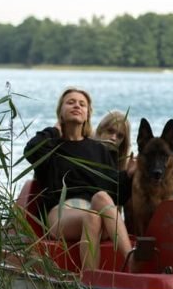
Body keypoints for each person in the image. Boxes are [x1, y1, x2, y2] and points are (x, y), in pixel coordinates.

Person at [24, 87, 133, 271]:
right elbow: (31, 150)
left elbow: (116, 192)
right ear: (60, 111)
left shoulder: (98, 150)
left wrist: (130, 174)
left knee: (102, 197)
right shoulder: (51, 147)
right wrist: (54, 130)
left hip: (96, 211)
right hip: (61, 214)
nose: (77, 106)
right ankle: (91, 281)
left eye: (82, 104)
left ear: (87, 114)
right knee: (92, 217)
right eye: (70, 102)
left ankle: (131, 259)